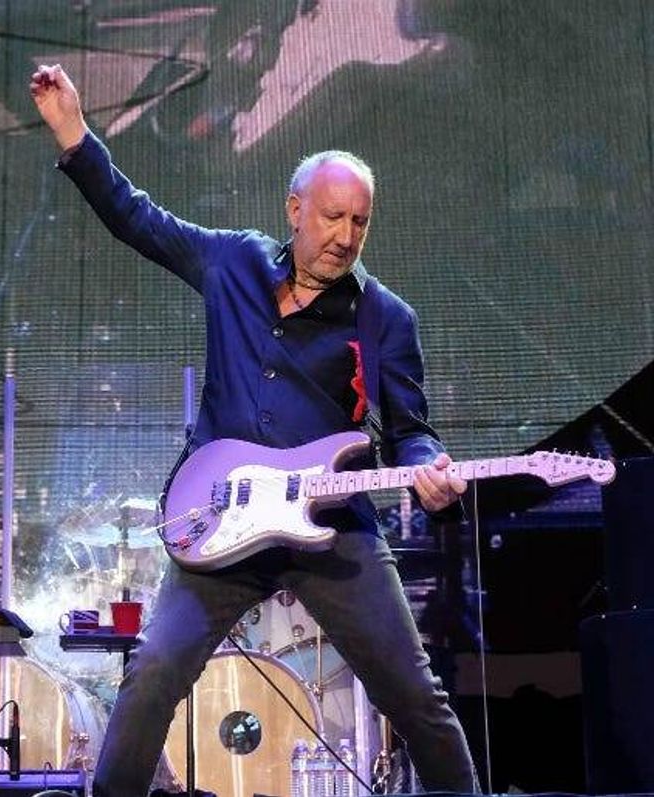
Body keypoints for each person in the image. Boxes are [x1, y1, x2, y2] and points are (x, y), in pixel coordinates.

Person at [29, 64, 477, 796]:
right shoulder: (232, 260)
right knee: (152, 673)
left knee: (416, 695)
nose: (345, 236)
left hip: (332, 529)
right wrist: (76, 135)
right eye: (332, 217)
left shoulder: (385, 317)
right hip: (220, 518)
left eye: (360, 222)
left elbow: (411, 431)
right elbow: (140, 219)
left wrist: (432, 475)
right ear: (295, 208)